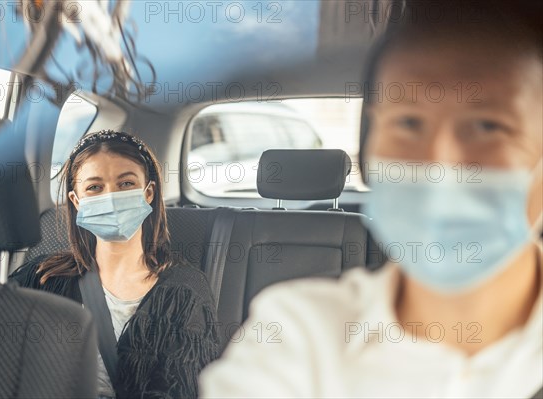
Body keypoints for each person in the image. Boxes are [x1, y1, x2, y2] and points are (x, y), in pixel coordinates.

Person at [199, 1, 542, 398]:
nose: (439, 163)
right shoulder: (296, 332)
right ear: (367, 155)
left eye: (487, 125)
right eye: (408, 122)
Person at [11, 130, 220, 399]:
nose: (110, 197)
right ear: (76, 201)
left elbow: (181, 388)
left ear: (149, 193)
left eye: (125, 184)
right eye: (94, 187)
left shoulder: (185, 291)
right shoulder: (42, 277)